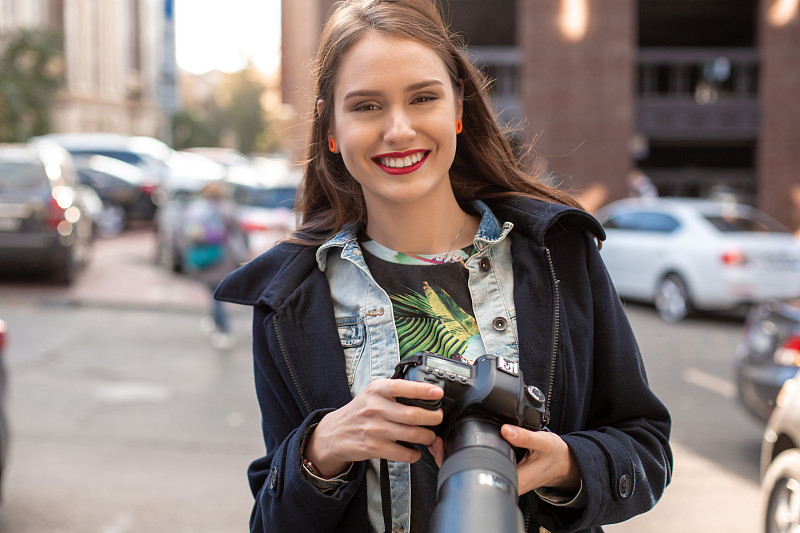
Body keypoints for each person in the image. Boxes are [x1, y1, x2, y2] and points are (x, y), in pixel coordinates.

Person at [214, 0, 672, 531]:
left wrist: (567, 467)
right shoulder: (289, 300)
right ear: (331, 128)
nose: (399, 129)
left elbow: (645, 447)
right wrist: (322, 448)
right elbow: (271, 521)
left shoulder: (559, 255)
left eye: (423, 97)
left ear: (458, 107)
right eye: (366, 106)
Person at [182, 180, 247, 350]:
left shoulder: (197, 209)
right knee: (218, 294)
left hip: (204, 256)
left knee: (213, 292)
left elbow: (188, 233)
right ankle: (222, 328)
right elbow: (238, 233)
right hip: (223, 257)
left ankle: (218, 325)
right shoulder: (227, 209)